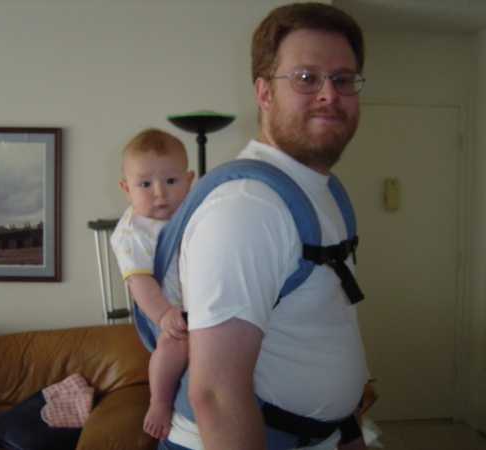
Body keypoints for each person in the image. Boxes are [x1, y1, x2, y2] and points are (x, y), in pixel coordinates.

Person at [159, 2, 370, 450]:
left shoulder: (324, 190)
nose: (329, 94)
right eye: (306, 77)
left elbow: (330, 326)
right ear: (265, 93)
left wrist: (350, 433)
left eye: (343, 79)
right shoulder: (247, 207)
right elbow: (216, 396)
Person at [111, 128, 194, 440]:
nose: (159, 192)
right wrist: (164, 315)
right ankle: (159, 402)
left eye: (170, 181)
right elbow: (139, 281)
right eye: (145, 184)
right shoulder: (134, 230)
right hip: (161, 307)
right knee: (174, 344)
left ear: (189, 180)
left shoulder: (188, 213)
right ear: (126, 189)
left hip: (193, 306)